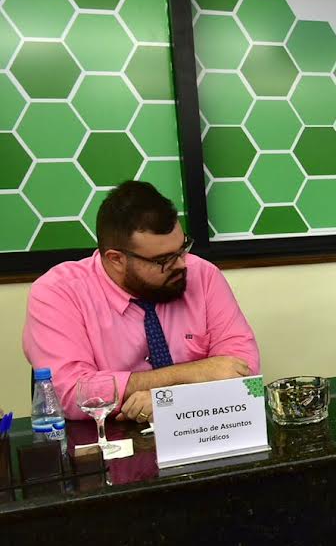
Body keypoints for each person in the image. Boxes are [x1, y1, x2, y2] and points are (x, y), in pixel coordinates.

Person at [22, 181, 259, 423]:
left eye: (183, 248)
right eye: (164, 260)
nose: (182, 264)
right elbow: (69, 393)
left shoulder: (203, 275)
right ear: (116, 259)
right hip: (106, 439)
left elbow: (243, 369)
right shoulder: (58, 292)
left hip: (199, 429)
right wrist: (194, 373)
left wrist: (170, 399)